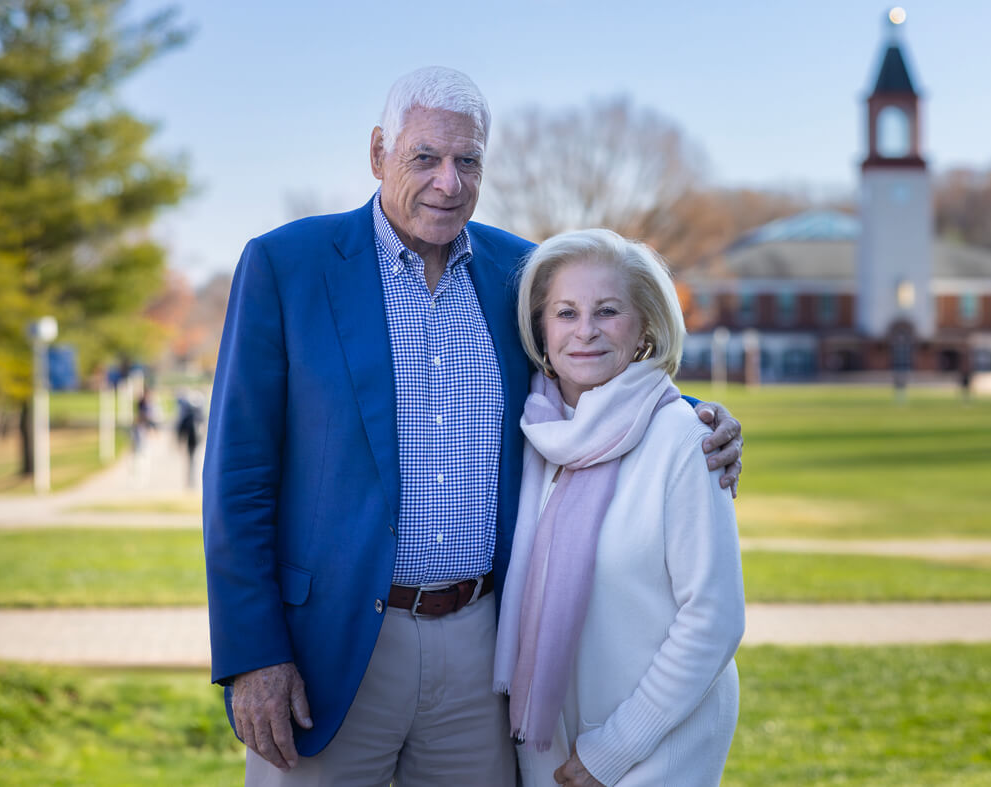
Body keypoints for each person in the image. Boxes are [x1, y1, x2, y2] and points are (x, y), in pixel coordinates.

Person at [202, 66, 743, 786]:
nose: (448, 182)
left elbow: (590, 373)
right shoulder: (286, 266)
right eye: (424, 157)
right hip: (327, 646)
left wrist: (694, 415)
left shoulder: (518, 273)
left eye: (469, 161)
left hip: (481, 648)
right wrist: (252, 653)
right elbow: (237, 475)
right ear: (377, 154)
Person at [495, 229, 744, 787]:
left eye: (608, 312)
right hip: (551, 751)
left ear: (644, 329)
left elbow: (714, 618)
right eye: (565, 313)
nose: (584, 331)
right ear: (541, 328)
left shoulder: (685, 440)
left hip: (657, 746)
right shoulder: (537, 435)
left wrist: (612, 751)